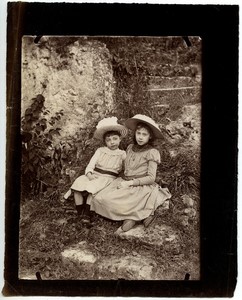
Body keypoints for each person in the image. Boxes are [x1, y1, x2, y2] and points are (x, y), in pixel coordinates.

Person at [91, 114, 171, 232]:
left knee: (124, 202)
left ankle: (132, 218)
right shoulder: (129, 147)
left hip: (139, 185)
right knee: (100, 198)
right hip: (124, 181)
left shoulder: (152, 152)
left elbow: (151, 178)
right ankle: (133, 216)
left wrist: (131, 183)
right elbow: (125, 167)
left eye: (144, 135)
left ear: (150, 137)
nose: (140, 137)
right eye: (138, 133)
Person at [64, 117, 128, 225]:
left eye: (115, 139)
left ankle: (87, 214)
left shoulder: (122, 154)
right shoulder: (100, 151)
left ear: (120, 139)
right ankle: (79, 213)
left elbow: (127, 168)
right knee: (78, 185)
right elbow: (91, 164)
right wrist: (89, 174)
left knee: (92, 190)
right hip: (95, 174)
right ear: (105, 142)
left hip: (108, 178)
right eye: (108, 140)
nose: (112, 142)